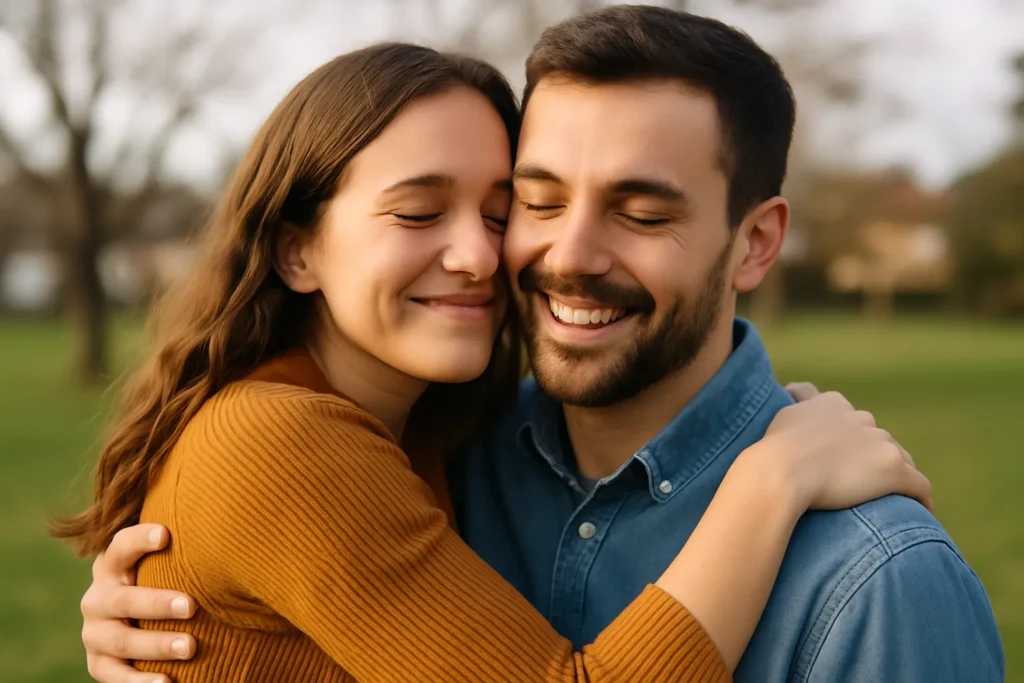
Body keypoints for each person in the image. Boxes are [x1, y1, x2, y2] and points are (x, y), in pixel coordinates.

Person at [67, 10, 979, 683]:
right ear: (296, 247)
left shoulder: (877, 578)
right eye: (540, 203)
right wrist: (769, 481)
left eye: (643, 211)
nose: (546, 253)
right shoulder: (361, 451)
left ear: (757, 242)